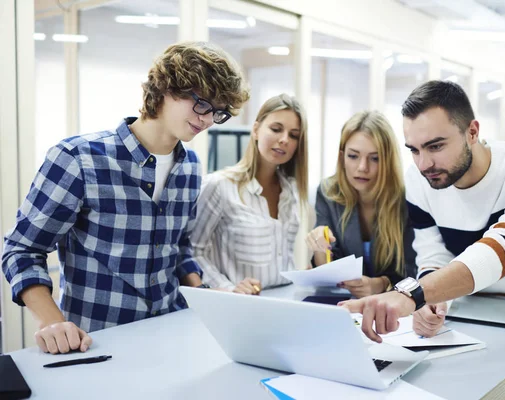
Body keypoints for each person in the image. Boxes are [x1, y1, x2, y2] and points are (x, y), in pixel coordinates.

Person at [2, 41, 250, 354]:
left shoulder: (190, 166)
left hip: (172, 336)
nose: (208, 119)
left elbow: (178, 246)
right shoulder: (79, 159)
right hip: (97, 345)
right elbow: (22, 249)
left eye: (218, 112)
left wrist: (207, 297)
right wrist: (53, 322)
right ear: (165, 88)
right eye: (202, 104)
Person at [341, 80, 505, 341]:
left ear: (472, 132)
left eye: (436, 146)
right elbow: (434, 253)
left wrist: (413, 294)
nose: (424, 164)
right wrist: (431, 303)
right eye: (414, 150)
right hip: (465, 314)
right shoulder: (418, 180)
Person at [191, 94, 308, 294]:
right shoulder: (220, 186)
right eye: (276, 129)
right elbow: (192, 252)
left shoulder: (291, 190)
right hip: (239, 307)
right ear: (256, 130)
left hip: (287, 302)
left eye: (294, 135)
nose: (284, 140)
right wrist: (229, 289)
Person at [306, 110, 415, 298]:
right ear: (342, 157)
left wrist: (380, 284)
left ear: (387, 161)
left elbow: (415, 269)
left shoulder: (407, 200)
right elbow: (327, 271)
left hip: (395, 306)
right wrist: (320, 249)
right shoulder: (327, 193)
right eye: (353, 156)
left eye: (375, 158)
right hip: (345, 304)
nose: (362, 167)